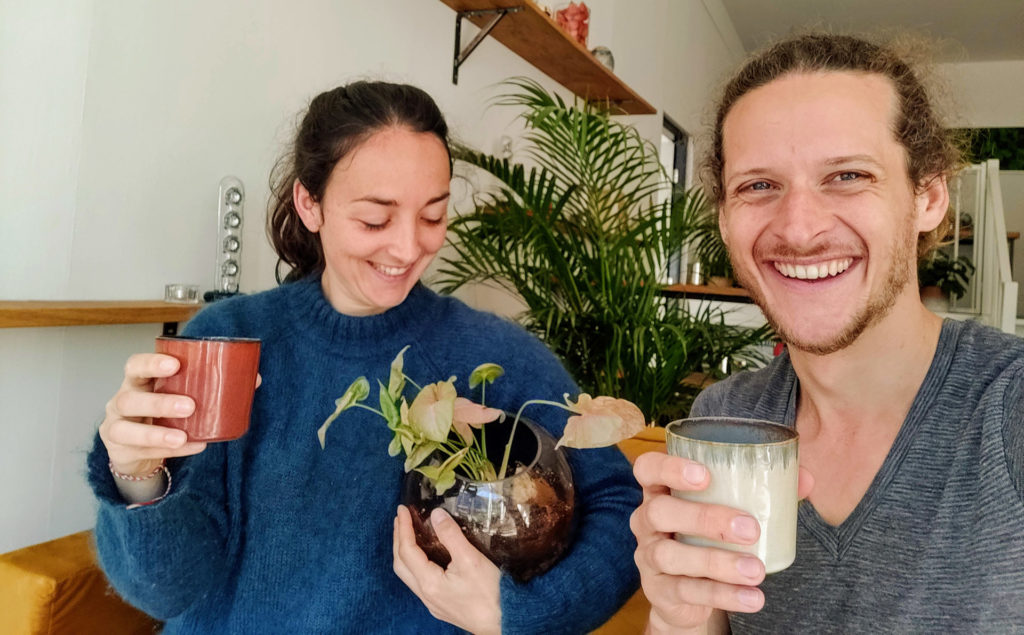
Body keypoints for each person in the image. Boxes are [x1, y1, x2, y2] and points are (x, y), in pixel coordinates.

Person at [87, 80, 641, 634]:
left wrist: (522, 615)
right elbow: (164, 591)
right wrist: (137, 476)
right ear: (311, 204)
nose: (407, 248)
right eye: (375, 220)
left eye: (432, 216)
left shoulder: (492, 354)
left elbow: (619, 506)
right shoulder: (227, 342)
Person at [630, 33, 1024, 634]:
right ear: (724, 215)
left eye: (846, 175)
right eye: (759, 186)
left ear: (929, 196)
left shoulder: (1010, 407)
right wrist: (677, 612)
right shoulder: (727, 418)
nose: (799, 228)